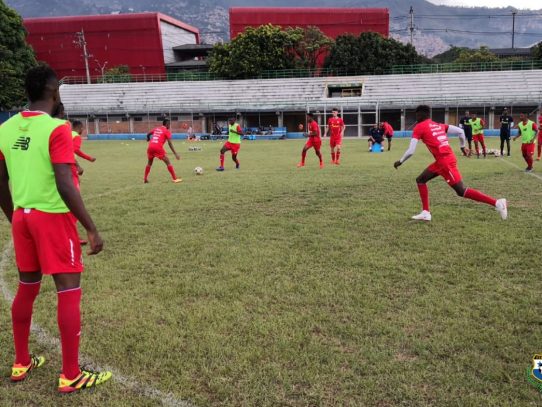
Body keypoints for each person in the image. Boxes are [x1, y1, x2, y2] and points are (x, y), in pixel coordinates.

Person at [0, 65, 111, 392]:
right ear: (54, 90)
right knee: (68, 290)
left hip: (23, 217)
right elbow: (65, 183)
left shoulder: (5, 128)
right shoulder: (57, 128)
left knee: (27, 288)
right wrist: (91, 228)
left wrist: (15, 218)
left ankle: (21, 362)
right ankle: (71, 375)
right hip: (53, 217)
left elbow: (0, 183)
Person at [393, 105, 507, 222]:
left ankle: (498, 203)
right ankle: (426, 212)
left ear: (422, 114)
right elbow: (460, 131)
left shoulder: (419, 127)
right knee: (421, 180)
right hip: (442, 161)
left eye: (417, 114)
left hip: (445, 162)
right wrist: (462, 147)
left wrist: (400, 161)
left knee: (461, 191)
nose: (416, 117)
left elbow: (411, 151)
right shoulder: (439, 125)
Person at [144, 119, 182, 183]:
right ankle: (175, 179)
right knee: (168, 162)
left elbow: (148, 134)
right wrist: (175, 154)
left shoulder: (157, 128)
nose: (169, 126)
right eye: (169, 124)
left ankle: (145, 178)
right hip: (157, 147)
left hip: (150, 147)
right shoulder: (166, 131)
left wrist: (148, 139)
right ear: (167, 124)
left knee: (149, 163)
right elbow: (170, 143)